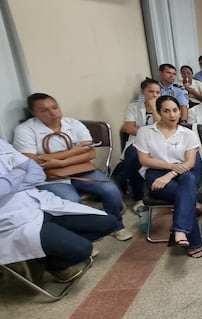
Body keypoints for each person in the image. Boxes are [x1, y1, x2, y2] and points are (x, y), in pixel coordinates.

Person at [14, 93, 131, 241]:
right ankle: (83, 236)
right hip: (49, 177)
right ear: (34, 112)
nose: (53, 113)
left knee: (111, 189)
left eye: (55, 107)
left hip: (82, 170)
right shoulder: (25, 130)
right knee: (71, 201)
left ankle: (116, 225)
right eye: (44, 110)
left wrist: (59, 162)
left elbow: (90, 153)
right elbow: (31, 160)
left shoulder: (73, 124)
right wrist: (75, 152)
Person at [0, 139, 118, 282]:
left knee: (110, 222)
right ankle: (52, 264)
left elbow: (37, 174)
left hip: (43, 203)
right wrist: (19, 171)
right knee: (83, 250)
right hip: (14, 218)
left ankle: (41, 258)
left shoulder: (2, 144)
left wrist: (12, 181)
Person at [134, 95, 202, 258]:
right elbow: (144, 160)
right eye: (166, 111)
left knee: (188, 181)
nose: (172, 115)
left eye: (175, 110)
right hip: (155, 173)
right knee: (187, 195)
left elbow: (190, 163)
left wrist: (170, 174)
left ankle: (180, 230)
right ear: (158, 112)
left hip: (182, 172)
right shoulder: (145, 132)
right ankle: (189, 239)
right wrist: (170, 167)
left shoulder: (187, 134)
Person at [120, 79, 161, 214]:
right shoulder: (134, 107)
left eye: (157, 92)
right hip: (137, 142)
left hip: (158, 142)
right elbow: (129, 128)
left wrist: (154, 109)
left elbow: (161, 127)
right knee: (133, 156)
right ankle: (138, 198)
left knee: (136, 158)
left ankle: (122, 186)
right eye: (151, 92)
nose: (154, 95)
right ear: (143, 92)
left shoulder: (163, 106)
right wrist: (146, 135)